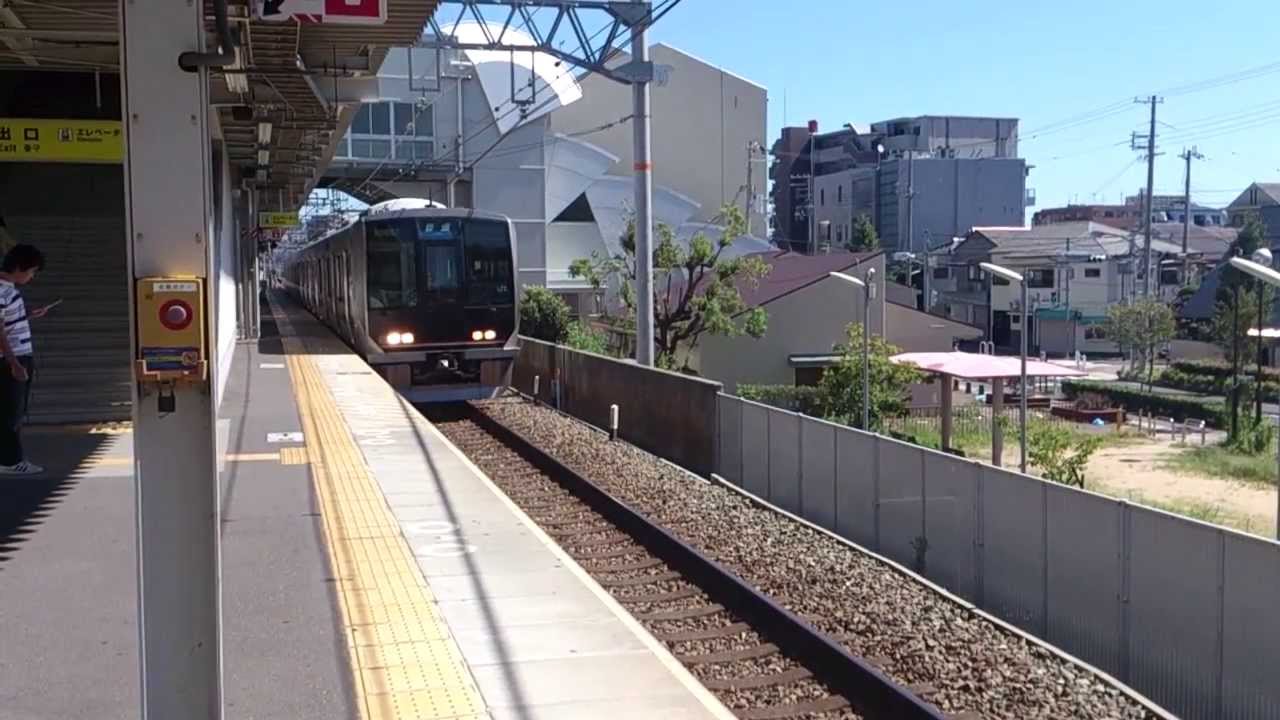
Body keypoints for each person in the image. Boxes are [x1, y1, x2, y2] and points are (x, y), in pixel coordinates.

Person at [0, 244, 48, 475]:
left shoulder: (8, 290)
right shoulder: (2, 290)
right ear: (18, 267)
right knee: (11, 412)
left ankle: (9, 459)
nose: (32, 277)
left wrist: (27, 314)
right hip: (11, 359)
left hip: (17, 357)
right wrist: (14, 364)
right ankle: (11, 461)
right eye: (31, 271)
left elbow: (6, 322)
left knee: (12, 410)